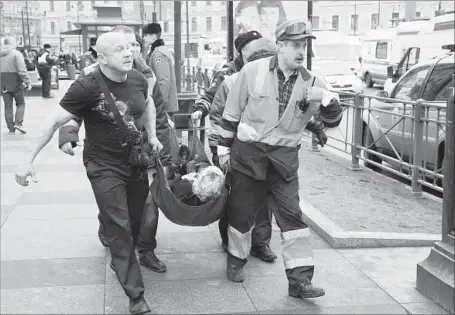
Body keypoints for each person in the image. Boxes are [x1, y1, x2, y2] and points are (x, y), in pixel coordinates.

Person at [15, 32, 163, 314]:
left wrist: (153, 136)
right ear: (102, 57)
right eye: (119, 49)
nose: (128, 52)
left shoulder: (138, 78)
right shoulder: (86, 85)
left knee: (133, 221)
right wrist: (27, 159)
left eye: (129, 47)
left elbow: (149, 105)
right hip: (103, 165)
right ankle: (136, 295)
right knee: (119, 227)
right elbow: (54, 120)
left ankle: (118, 254)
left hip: (135, 162)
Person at [217, 20, 343, 299]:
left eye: (305, 45)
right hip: (248, 158)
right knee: (240, 214)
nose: (301, 51)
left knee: (293, 220)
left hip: (283, 165)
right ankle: (236, 261)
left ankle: (299, 282)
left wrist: (326, 100)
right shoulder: (251, 71)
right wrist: (222, 151)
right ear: (281, 46)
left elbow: (333, 120)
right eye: (296, 45)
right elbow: (230, 115)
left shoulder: (313, 80)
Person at [58, 26, 170, 274]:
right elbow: (73, 111)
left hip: (147, 149)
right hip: (111, 155)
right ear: (106, 54)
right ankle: (113, 234)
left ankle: (146, 250)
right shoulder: (92, 75)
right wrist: (68, 134)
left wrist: (158, 138)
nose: (130, 50)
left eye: (134, 45)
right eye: (123, 46)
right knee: (117, 209)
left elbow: (157, 107)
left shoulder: (146, 74)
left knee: (147, 204)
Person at [143, 23, 179, 120]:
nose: (144, 38)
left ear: (154, 36)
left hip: (163, 105)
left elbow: (163, 81)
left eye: (146, 35)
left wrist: (160, 105)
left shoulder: (158, 53)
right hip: (166, 104)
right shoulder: (162, 50)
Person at [0, 37, 32, 135]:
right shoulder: (16, 53)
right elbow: (22, 70)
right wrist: (27, 82)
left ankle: (11, 129)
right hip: (15, 81)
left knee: (7, 106)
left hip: (3, 82)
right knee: (20, 103)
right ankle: (18, 122)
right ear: (11, 43)